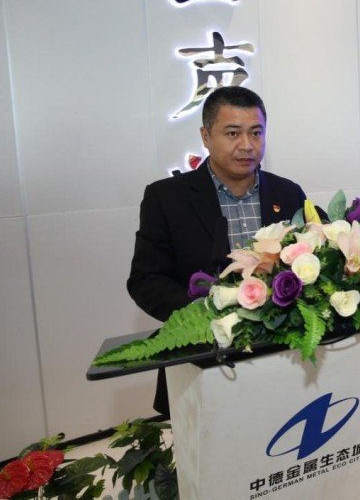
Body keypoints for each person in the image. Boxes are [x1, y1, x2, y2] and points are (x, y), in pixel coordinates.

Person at [127, 85, 309, 414]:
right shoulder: (166, 198)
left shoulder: (288, 193)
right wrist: (205, 314)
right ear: (206, 136)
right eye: (233, 133)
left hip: (283, 360)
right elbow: (146, 280)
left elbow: (312, 261)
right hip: (201, 362)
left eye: (256, 133)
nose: (247, 145)